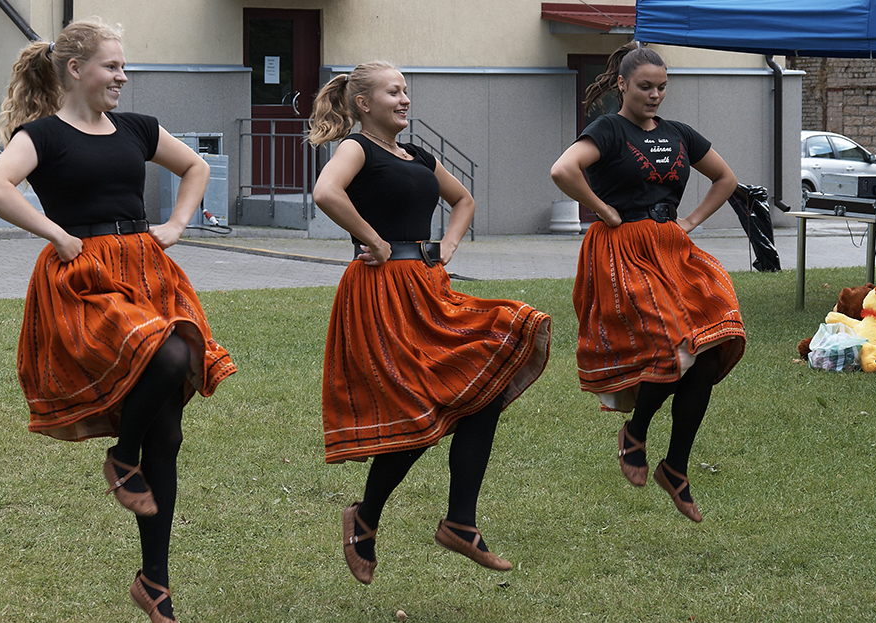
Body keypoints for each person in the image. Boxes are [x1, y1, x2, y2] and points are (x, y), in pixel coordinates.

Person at [0, 20, 235, 623]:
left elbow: (195, 167)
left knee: (168, 432)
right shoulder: (42, 135)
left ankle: (155, 583)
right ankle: (120, 457)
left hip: (145, 269)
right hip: (85, 279)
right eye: (112, 66)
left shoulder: (138, 129)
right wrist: (55, 234)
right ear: (75, 70)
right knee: (169, 354)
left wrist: (176, 225)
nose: (123, 76)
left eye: (123, 66)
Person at [308, 62, 551, 584]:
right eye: (393, 92)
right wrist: (373, 240)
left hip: (427, 286)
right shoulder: (357, 148)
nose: (404, 99)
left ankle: (459, 521)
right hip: (380, 293)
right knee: (420, 409)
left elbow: (463, 199)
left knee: (482, 390)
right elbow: (327, 193)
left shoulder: (418, 155)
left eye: (406, 91)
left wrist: (449, 245)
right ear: (364, 103)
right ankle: (366, 518)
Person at [549, 42, 745, 522]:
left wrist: (689, 222)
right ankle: (635, 431)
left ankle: (675, 467)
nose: (655, 95)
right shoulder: (608, 129)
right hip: (623, 251)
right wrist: (603, 209)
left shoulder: (680, 133)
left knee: (710, 347)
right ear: (622, 84)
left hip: (671, 247)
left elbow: (725, 179)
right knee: (674, 343)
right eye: (644, 87)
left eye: (661, 87)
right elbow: (563, 169)